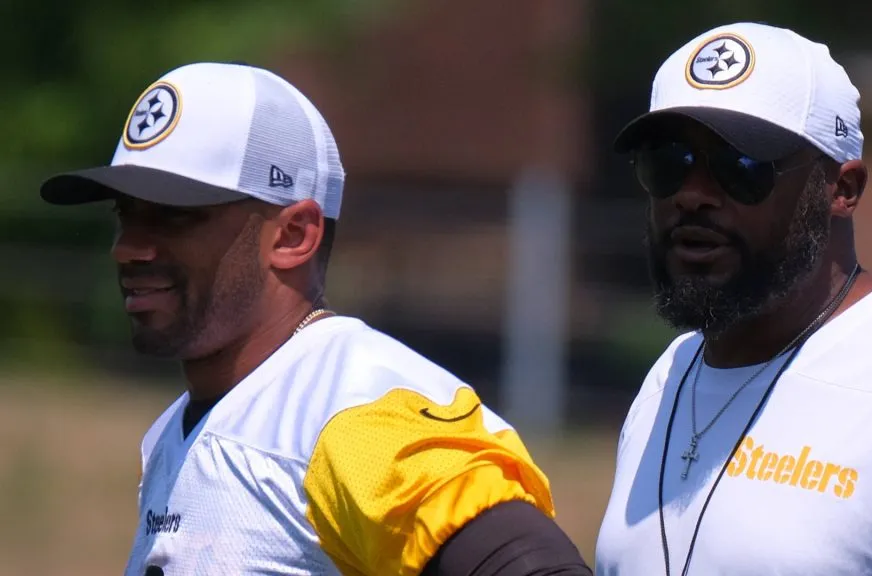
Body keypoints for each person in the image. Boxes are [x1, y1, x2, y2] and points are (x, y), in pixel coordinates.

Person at [39, 61, 592, 576]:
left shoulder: (358, 417)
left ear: (292, 235)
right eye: (125, 215)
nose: (128, 248)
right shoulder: (174, 431)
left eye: (173, 217)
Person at [594, 21, 872, 576]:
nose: (693, 195)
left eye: (741, 166)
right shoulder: (666, 380)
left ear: (842, 188)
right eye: (667, 163)